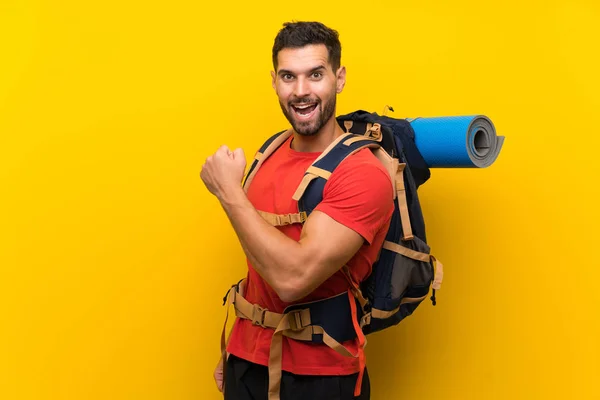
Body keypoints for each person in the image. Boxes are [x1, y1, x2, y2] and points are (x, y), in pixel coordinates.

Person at [200, 21, 394, 400]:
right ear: (274, 81)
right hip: (248, 363)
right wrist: (241, 351)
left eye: (315, 75)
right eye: (289, 76)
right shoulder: (270, 149)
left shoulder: (362, 172)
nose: (301, 91)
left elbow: (292, 280)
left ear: (339, 78)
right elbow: (259, 262)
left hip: (319, 376)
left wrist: (228, 192)